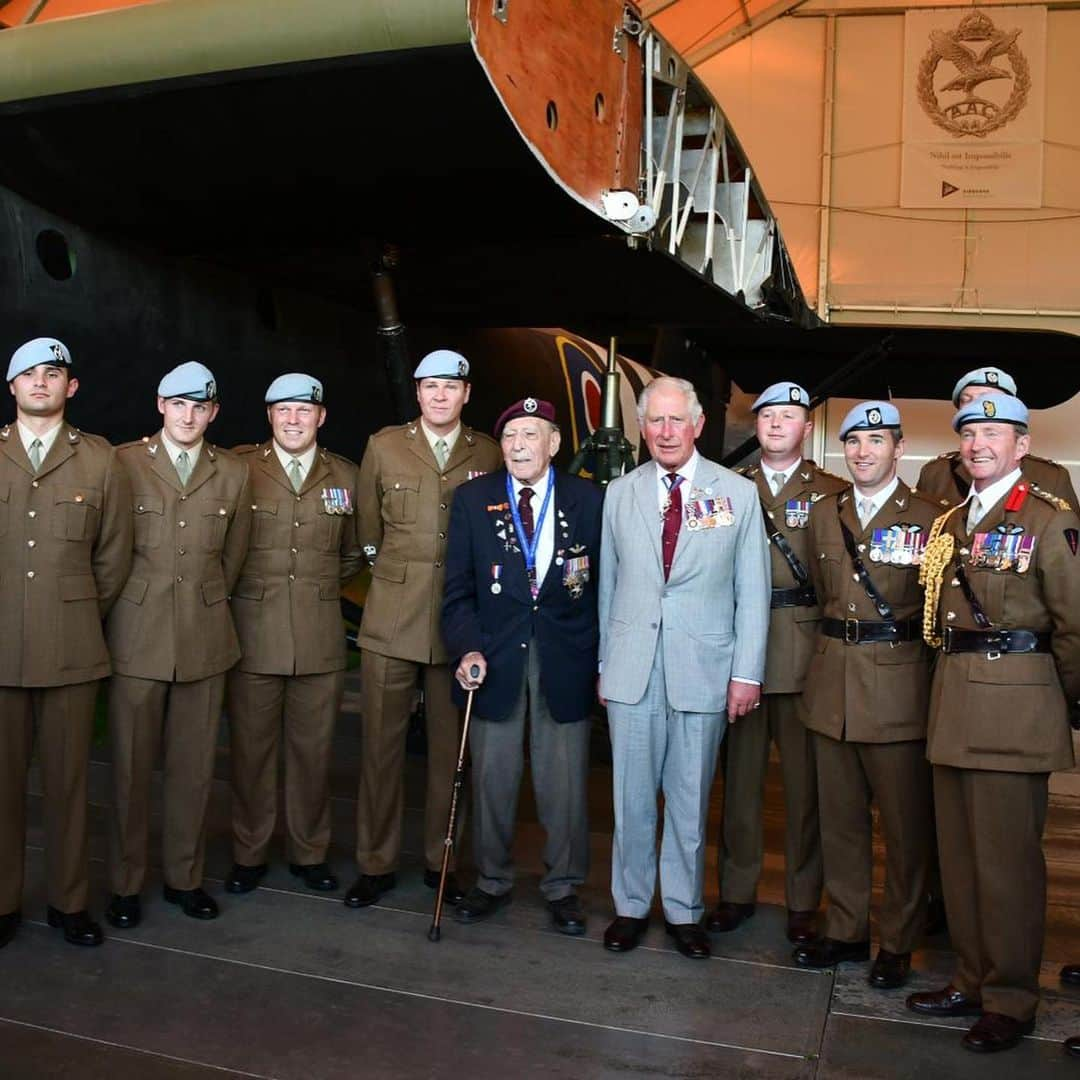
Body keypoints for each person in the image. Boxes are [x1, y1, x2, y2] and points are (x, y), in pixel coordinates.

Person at [908, 392, 1080, 1053]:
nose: (980, 442)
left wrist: (1055, 701)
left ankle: (1012, 999)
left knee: (1007, 866)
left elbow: (1073, 627)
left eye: (994, 432)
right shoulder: (952, 519)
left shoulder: (1048, 520)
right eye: (971, 432)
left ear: (1022, 445)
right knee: (961, 863)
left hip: (1015, 710)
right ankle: (972, 982)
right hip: (954, 706)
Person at [598, 376, 771, 960]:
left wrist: (747, 672)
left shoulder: (737, 496)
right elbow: (610, 586)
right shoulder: (619, 493)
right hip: (631, 669)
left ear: (698, 426)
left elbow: (753, 592)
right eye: (654, 421)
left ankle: (683, 910)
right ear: (641, 428)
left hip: (705, 668)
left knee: (690, 799)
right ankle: (629, 907)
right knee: (630, 797)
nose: (665, 432)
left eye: (677, 421)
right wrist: (605, 662)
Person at [348, 350, 502, 909]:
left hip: (458, 624)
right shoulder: (384, 446)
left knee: (450, 754)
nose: (440, 396)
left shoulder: (487, 450)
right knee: (380, 750)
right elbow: (369, 531)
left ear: (467, 394)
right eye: (430, 386)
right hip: (392, 616)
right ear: (417, 393)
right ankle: (375, 863)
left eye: (451, 387)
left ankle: (444, 864)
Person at [441, 397, 602, 932]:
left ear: (554, 443)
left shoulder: (589, 500)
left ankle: (563, 887)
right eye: (510, 436)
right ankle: (491, 880)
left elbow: (609, 588)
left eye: (530, 435)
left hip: (566, 657)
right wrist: (466, 647)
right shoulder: (472, 499)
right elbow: (458, 591)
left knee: (565, 783)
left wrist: (603, 661)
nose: (518, 446)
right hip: (496, 657)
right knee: (493, 777)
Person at [793, 401, 938, 990]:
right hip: (832, 684)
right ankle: (848, 931)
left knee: (905, 828)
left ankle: (899, 941)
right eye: (853, 441)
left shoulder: (932, 517)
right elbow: (822, 593)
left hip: (898, 687)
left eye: (876, 441)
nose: (862, 451)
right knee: (841, 821)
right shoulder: (825, 514)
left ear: (898, 449)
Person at [105, 362, 251, 927]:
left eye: (201, 407)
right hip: (136, 636)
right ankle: (123, 884)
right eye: (179, 404)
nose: (189, 416)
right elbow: (109, 547)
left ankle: (184, 878)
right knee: (129, 768)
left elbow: (232, 558)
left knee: (192, 770)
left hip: (204, 635)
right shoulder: (122, 463)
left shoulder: (233, 472)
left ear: (213, 413)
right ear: (160, 405)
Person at [0, 337, 132, 948]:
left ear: (70, 388)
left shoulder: (101, 461)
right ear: (12, 388)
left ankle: (69, 901)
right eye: (28, 374)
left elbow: (112, 557)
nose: (40, 382)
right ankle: (3, 903)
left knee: (70, 785)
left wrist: (71, 613)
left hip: (71, 649)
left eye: (52, 373)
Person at [708, 382, 847, 945]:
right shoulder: (726, 487)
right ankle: (736, 892)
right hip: (740, 645)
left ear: (806, 427)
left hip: (802, 646)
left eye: (789, 416)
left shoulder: (832, 491)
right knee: (738, 785)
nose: (776, 424)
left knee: (803, 788)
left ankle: (801, 898)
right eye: (767, 415)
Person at [225, 374, 363, 896]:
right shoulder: (239, 468)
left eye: (303, 411)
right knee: (251, 753)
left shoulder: (344, 476)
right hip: (253, 633)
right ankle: (249, 851)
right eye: (282, 410)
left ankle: (309, 851)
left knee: (313, 753)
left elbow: (352, 553)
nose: (292, 419)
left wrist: (316, 590)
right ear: (269, 416)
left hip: (318, 633)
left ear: (320, 417)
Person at [917, 367, 1077, 510]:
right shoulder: (936, 473)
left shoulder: (1050, 476)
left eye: (987, 400)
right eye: (966, 400)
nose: (977, 406)